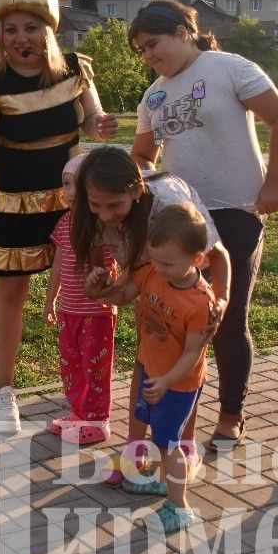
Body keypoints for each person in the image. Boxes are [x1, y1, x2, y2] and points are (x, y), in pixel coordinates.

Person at [129, 0, 278, 452]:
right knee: (182, 318)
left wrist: (275, 182)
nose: (148, 55)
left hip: (236, 210)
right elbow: (142, 156)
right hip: (183, 221)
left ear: (184, 32)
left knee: (224, 316)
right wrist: (156, 183)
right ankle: (184, 418)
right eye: (141, 50)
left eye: (152, 44)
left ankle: (231, 415)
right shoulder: (154, 95)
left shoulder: (229, 68)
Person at [0, 0, 118, 434]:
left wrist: (101, 124)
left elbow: (93, 121)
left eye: (31, 27)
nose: (21, 38)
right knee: (12, 291)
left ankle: (85, 392)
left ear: (49, 29)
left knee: (89, 293)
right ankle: (3, 395)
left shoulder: (75, 70)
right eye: (11, 29)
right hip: (14, 201)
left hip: (76, 198)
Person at [67, 148, 229, 489]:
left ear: (136, 192)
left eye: (114, 205)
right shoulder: (91, 211)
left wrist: (222, 299)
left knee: (184, 366)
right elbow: (111, 278)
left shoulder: (168, 205)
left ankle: (185, 445)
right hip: (149, 273)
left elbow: (217, 255)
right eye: (96, 205)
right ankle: (135, 450)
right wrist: (98, 287)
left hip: (192, 276)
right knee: (147, 356)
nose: (104, 215)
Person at [84, 200, 215, 534]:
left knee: (169, 443)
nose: (158, 268)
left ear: (196, 260)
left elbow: (193, 353)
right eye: (154, 259)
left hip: (177, 383)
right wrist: (102, 289)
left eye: (168, 263)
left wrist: (168, 380)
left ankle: (180, 506)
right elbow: (124, 294)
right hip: (151, 371)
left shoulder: (201, 303)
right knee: (155, 436)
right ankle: (159, 482)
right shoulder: (152, 272)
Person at [43, 154, 116, 445]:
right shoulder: (63, 223)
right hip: (69, 310)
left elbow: (104, 268)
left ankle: (99, 421)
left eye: (77, 185)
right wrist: (51, 301)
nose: (69, 192)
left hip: (96, 312)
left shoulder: (102, 225)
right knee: (71, 364)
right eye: (65, 184)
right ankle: (79, 412)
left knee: (95, 366)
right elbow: (58, 265)